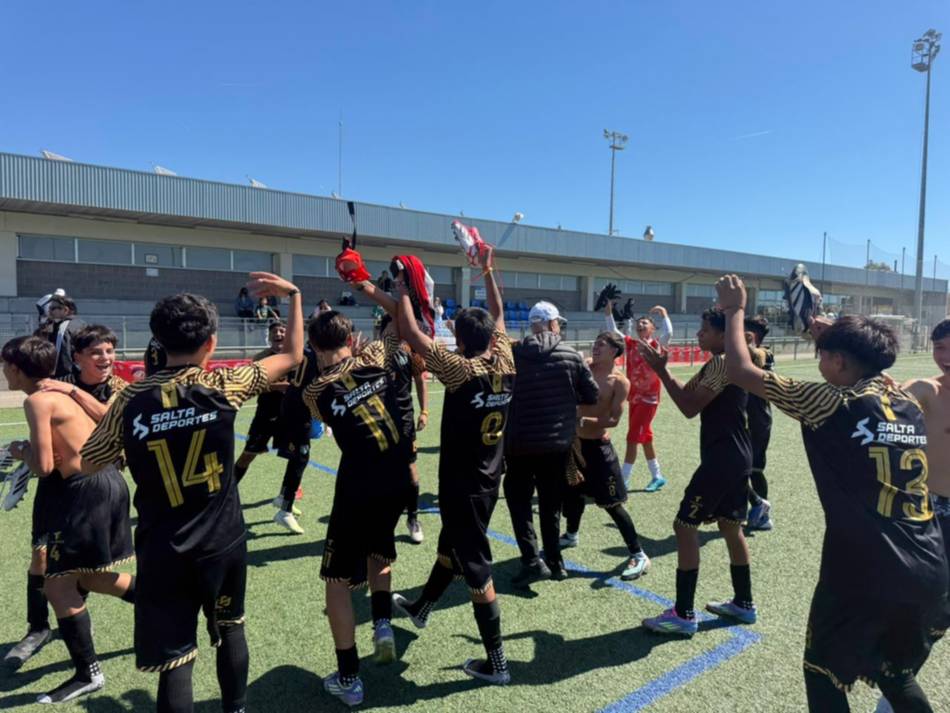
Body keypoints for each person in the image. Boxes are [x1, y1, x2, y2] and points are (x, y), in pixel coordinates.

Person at [717, 275, 947, 712]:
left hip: (867, 572)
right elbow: (868, 373)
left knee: (823, 673)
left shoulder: (829, 401)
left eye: (825, 356)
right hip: (929, 569)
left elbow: (740, 371)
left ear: (840, 363)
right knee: (895, 676)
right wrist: (839, 341)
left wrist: (734, 311)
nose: (820, 362)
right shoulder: (907, 403)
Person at [80, 274, 305, 713]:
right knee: (231, 627)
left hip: (165, 547)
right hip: (223, 540)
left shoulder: (129, 401)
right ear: (211, 343)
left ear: (157, 341)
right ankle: (235, 708)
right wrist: (294, 296)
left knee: (176, 659)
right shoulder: (225, 385)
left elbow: (89, 460)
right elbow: (293, 354)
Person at [391, 244, 516, 685]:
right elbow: (499, 312)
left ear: (461, 340)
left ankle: (497, 663)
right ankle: (423, 607)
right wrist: (487, 271)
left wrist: (403, 289)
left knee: (477, 571)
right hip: (488, 476)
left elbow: (409, 330)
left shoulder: (462, 369)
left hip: (463, 483)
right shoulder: (506, 357)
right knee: (452, 547)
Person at [2, 335, 135, 704]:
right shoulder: (62, 392)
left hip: (83, 491)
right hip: (106, 481)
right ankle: (164, 606)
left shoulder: (37, 400)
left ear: (15, 368)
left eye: (4, 366)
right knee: (88, 577)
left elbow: (44, 467)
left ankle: (87, 673)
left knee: (59, 585)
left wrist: (19, 452)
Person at [302, 306, 415, 707]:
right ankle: (382, 624)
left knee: (336, 581)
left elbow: (324, 417)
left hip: (358, 486)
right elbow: (396, 329)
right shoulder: (374, 358)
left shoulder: (314, 390)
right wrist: (386, 293)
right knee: (379, 549)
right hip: (398, 479)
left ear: (314, 348)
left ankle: (349, 678)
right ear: (350, 339)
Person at [639, 308, 757, 637]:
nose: (699, 335)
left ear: (723, 334)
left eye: (705, 330)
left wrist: (661, 372)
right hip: (736, 456)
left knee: (684, 525)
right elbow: (687, 397)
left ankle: (683, 614)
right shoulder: (720, 362)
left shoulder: (722, 363)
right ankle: (744, 604)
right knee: (731, 527)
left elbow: (689, 407)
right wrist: (663, 370)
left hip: (723, 458)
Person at [505, 301, 599, 585]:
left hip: (519, 442)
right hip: (557, 443)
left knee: (519, 503)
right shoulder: (571, 354)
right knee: (550, 505)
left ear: (533, 325)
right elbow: (591, 396)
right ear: (553, 324)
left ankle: (532, 560)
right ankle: (556, 562)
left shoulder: (514, 353)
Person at [559, 332, 651, 580]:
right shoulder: (583, 367)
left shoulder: (620, 382)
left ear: (615, 351)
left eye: (603, 345)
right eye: (596, 343)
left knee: (613, 505)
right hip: (574, 444)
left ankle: (638, 553)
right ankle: (571, 535)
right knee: (573, 492)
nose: (596, 347)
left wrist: (584, 419)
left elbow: (614, 420)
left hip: (599, 448)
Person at [232, 322, 307, 534]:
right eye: (275, 332)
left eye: (283, 331)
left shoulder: (296, 356)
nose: (279, 334)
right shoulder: (261, 358)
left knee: (298, 455)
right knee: (247, 456)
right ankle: (225, 494)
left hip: (290, 416)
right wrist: (276, 386)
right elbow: (250, 384)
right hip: (265, 415)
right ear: (270, 337)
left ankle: (285, 499)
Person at [604, 301, 671, 492]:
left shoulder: (658, 345)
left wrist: (664, 314)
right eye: (639, 323)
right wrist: (608, 312)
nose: (641, 325)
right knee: (646, 437)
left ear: (653, 329)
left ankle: (623, 479)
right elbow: (614, 332)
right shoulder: (631, 344)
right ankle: (657, 476)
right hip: (634, 398)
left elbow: (669, 334)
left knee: (633, 438)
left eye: (645, 323)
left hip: (649, 399)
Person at [744, 315, 775, 531]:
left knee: (753, 469)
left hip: (757, 419)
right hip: (744, 417)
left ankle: (761, 512)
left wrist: (747, 342)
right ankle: (756, 508)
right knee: (741, 468)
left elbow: (756, 357)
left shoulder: (764, 352)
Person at [37, 295, 87, 379]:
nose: (49, 311)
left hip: (66, 377)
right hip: (78, 375)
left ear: (65, 310)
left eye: (53, 308)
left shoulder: (64, 328)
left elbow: (64, 355)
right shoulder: (80, 324)